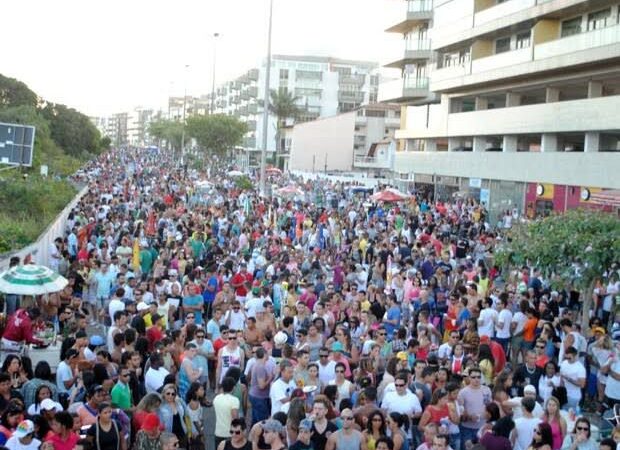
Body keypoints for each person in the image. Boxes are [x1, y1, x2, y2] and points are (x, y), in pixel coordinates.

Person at [214, 377, 240, 449]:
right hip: (230, 434)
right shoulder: (234, 400)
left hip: (218, 432)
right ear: (233, 387)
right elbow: (235, 418)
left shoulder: (216, 398)